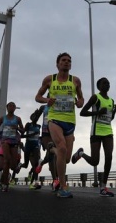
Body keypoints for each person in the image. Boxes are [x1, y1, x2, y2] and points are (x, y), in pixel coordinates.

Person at [35, 52, 84, 198]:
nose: (66, 62)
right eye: (63, 60)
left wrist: (80, 102)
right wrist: (46, 101)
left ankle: (52, 150)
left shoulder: (75, 81)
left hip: (70, 121)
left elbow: (81, 99)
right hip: (54, 118)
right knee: (62, 147)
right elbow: (37, 97)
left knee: (66, 158)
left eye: (69, 61)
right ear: (57, 64)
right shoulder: (49, 79)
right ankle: (63, 186)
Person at [73, 77, 116, 197]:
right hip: (96, 131)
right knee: (95, 161)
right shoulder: (95, 97)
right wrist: (97, 113)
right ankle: (81, 154)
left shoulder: (112, 101)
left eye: (108, 83)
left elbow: (110, 118)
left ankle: (103, 187)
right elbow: (82, 112)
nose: (107, 84)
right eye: (104, 83)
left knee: (109, 156)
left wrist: (114, 111)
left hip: (108, 131)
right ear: (99, 86)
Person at [0, 101, 25, 192]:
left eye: (13, 106)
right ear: (7, 108)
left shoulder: (18, 119)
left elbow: (23, 131)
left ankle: (16, 166)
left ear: (15, 108)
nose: (11, 107)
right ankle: (5, 184)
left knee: (13, 166)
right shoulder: (2, 118)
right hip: (5, 140)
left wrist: (18, 128)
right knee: (6, 160)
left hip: (14, 141)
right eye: (9, 106)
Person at [21, 109, 43, 190]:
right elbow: (22, 134)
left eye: (36, 117)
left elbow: (40, 137)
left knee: (36, 164)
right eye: (33, 117)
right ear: (31, 118)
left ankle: (36, 182)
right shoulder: (28, 125)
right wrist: (30, 135)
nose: (35, 118)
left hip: (35, 146)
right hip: (28, 146)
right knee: (26, 165)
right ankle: (20, 165)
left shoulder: (39, 126)